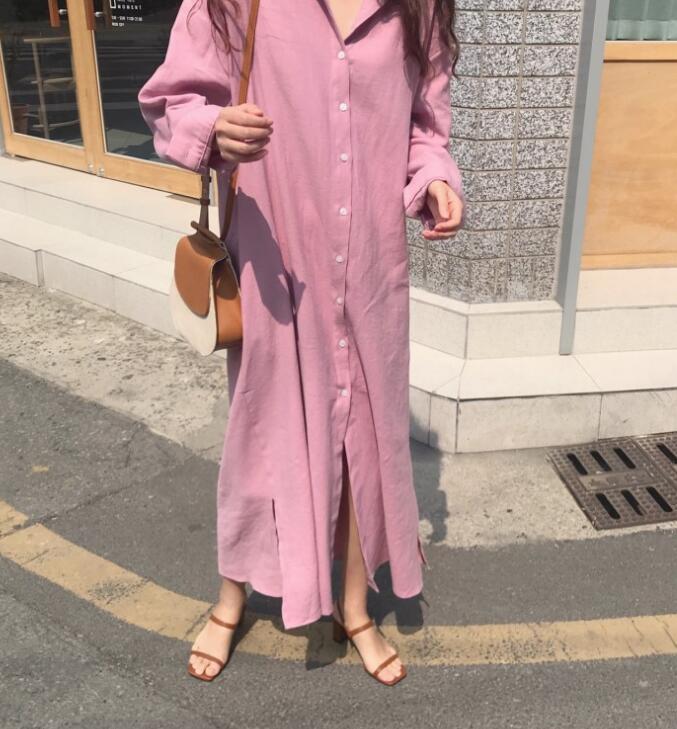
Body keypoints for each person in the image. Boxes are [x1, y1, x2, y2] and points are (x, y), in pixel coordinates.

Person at [137, 0, 464, 687]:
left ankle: (355, 607)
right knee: (264, 429)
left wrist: (434, 179)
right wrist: (213, 128)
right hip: (275, 258)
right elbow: (171, 101)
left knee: (366, 438)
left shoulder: (418, 8)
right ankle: (231, 599)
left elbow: (424, 127)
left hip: (370, 268)